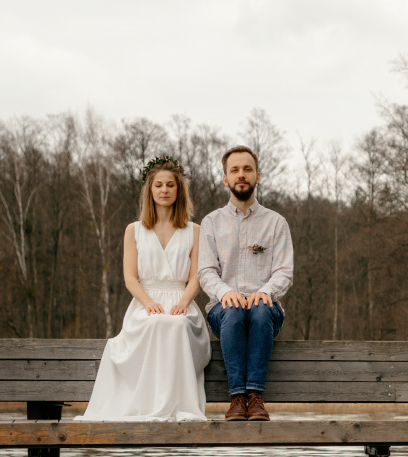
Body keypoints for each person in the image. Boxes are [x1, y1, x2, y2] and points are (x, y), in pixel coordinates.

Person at [83, 157, 210, 421]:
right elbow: (130, 278)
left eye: (170, 185)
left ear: (179, 190)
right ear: (150, 190)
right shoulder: (134, 230)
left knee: (175, 325)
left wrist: (184, 303)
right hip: (146, 302)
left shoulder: (194, 231)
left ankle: (177, 404)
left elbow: (196, 277)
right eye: (159, 185)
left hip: (180, 300)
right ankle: (148, 404)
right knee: (154, 324)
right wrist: (148, 302)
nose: (164, 190)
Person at [199, 146, 293, 421]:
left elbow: (284, 272)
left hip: (266, 312)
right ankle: (237, 398)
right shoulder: (211, 222)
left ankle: (254, 397)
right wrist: (225, 292)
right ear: (225, 179)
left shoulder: (276, 223)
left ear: (258, 176)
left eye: (247, 169)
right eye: (235, 170)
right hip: (223, 312)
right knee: (234, 310)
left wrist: (264, 292)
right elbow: (205, 271)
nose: (242, 175)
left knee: (261, 308)